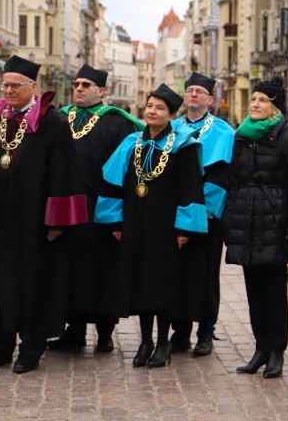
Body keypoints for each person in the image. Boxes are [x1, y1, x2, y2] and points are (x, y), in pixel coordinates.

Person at [0, 55, 87, 374]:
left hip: (34, 222)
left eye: (15, 85)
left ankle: (31, 348)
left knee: (33, 284)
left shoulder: (52, 121)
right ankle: (0, 347)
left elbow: (63, 170)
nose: (9, 91)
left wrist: (57, 220)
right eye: (6, 85)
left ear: (33, 87)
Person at [95, 83, 208, 368]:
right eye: (149, 106)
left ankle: (163, 343)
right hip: (135, 223)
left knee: (163, 284)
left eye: (160, 108)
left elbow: (191, 188)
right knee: (141, 283)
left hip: (166, 227)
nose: (152, 112)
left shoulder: (184, 144)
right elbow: (112, 183)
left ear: (171, 114)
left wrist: (185, 229)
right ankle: (145, 342)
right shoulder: (132, 143)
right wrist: (115, 220)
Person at [47, 65, 144, 353]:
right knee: (68, 272)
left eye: (86, 85)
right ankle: (73, 331)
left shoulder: (118, 124)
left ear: (102, 91)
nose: (79, 88)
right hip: (67, 209)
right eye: (76, 83)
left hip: (101, 212)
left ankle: (105, 333)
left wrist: (118, 218)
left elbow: (127, 173)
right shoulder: (59, 118)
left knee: (103, 272)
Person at [223, 76, 288, 379]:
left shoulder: (286, 138)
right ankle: (260, 349)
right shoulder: (241, 136)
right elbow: (232, 183)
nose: (255, 104)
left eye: (262, 100)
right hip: (246, 224)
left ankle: (276, 353)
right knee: (254, 292)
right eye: (253, 99)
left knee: (274, 293)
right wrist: (228, 222)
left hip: (275, 225)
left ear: (275, 108)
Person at [168, 72, 234, 358]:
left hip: (208, 217)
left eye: (199, 92)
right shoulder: (170, 128)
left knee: (206, 274)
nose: (193, 95)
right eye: (190, 90)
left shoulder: (223, 132)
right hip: (176, 214)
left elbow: (223, 176)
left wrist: (201, 210)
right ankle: (180, 332)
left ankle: (205, 332)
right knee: (177, 274)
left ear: (210, 99)